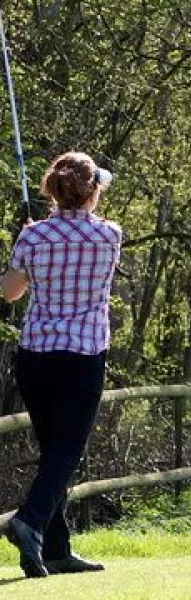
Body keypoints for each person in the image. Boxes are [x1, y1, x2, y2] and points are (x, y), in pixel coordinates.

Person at [1, 151, 121, 578]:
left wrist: (26, 243)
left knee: (54, 451)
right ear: (92, 192)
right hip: (83, 355)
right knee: (67, 452)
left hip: (36, 355)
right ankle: (29, 522)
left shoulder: (33, 238)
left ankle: (54, 550)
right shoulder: (109, 235)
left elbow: (10, 292)